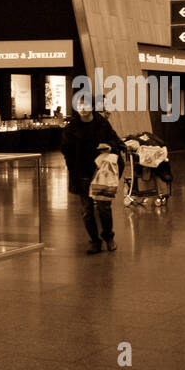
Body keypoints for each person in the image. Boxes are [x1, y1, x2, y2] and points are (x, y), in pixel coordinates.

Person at [61, 96, 124, 254]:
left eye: (86, 105)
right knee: (87, 211)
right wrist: (74, 172)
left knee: (104, 207)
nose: (83, 108)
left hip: (101, 173)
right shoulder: (71, 128)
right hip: (82, 174)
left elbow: (118, 142)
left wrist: (109, 146)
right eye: (80, 105)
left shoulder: (102, 124)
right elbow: (66, 151)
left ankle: (109, 238)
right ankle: (94, 241)